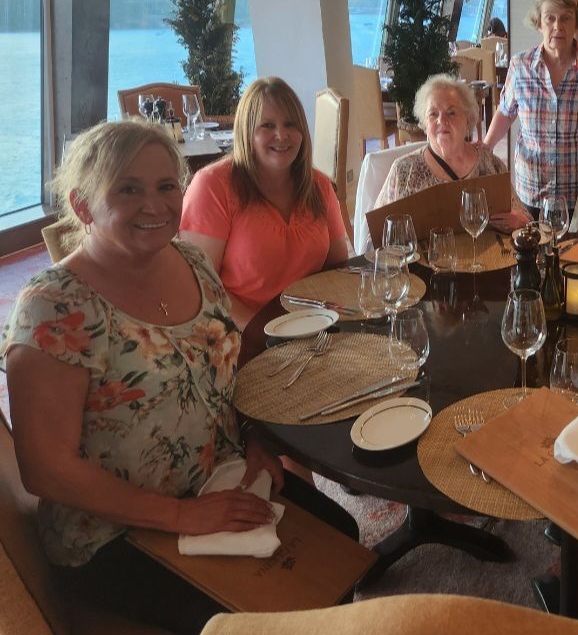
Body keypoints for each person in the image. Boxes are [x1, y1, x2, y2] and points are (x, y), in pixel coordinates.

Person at [1, 121, 358, 633]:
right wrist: (181, 516)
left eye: (167, 186)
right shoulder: (54, 307)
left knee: (340, 534)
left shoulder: (192, 262)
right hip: (116, 533)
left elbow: (225, 374)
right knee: (262, 616)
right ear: (82, 206)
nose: (156, 205)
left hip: (222, 480)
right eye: (128, 188)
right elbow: (45, 469)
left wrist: (255, 440)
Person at [180, 77, 350, 330]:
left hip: (313, 329)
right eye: (267, 125)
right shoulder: (213, 186)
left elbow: (337, 266)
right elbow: (201, 287)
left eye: (290, 124)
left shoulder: (319, 186)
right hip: (241, 336)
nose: (281, 135)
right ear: (247, 132)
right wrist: (265, 333)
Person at [482, 0, 578, 218]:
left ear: (577, 23)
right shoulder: (520, 66)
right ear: (539, 23)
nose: (558, 27)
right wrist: (486, 147)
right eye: (550, 18)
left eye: (566, 18)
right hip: (532, 187)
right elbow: (505, 112)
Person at [375, 73, 531, 232]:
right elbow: (375, 235)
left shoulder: (491, 165)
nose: (441, 120)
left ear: (468, 120)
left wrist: (521, 221)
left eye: (451, 112)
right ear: (424, 122)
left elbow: (525, 218)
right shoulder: (404, 170)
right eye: (433, 114)